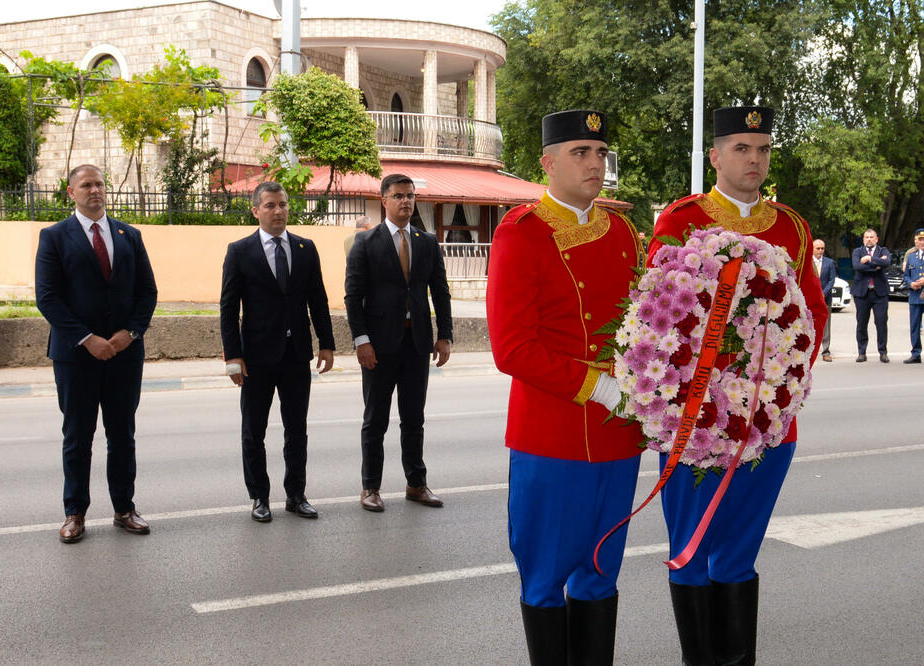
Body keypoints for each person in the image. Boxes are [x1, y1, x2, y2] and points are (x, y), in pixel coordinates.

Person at [650, 106, 828, 665]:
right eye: (742, 149)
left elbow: (813, 314)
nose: (755, 159)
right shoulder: (681, 221)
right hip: (696, 423)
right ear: (715, 156)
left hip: (767, 425)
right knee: (690, 550)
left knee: (739, 554)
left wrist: (779, 389)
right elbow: (656, 317)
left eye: (764, 149)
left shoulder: (791, 227)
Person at [487, 109, 645, 664]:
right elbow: (511, 348)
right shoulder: (522, 232)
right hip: (552, 437)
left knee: (601, 573)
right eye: (580, 153)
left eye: (600, 153)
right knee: (545, 579)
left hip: (619, 434)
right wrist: (597, 387)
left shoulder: (621, 231)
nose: (595, 163)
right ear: (548, 163)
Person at [35, 164, 158, 544]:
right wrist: (88, 339)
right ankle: (75, 513)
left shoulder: (129, 235)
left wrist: (129, 334)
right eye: (86, 185)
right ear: (70, 192)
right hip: (76, 357)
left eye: (100, 184)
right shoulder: (54, 237)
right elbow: (47, 297)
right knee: (78, 437)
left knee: (122, 435)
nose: (95, 190)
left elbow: (147, 292)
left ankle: (124, 508)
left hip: (124, 355)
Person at [220, 181, 335, 522]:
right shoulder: (240, 251)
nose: (278, 211)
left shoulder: (305, 248)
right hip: (255, 357)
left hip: (296, 354)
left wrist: (326, 343)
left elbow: (318, 299)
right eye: (270, 205)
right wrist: (232, 356)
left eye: (283, 204)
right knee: (253, 431)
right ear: (256, 210)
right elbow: (228, 307)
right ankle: (259, 496)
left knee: (296, 429)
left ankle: (296, 495)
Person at [344, 173, 453, 513]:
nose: (406, 201)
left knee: (414, 418)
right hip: (378, 345)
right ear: (384, 200)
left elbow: (440, 292)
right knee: (375, 420)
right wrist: (362, 340)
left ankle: (416, 484)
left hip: (416, 343)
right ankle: (370, 487)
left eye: (410, 196)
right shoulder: (366, 242)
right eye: (399, 196)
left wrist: (444, 335)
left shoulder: (427, 242)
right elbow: (353, 297)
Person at [850, 228, 891, 362]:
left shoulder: (883, 250)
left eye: (871, 237)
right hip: (862, 293)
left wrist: (870, 258)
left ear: (876, 239)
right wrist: (877, 265)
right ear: (863, 240)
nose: (869, 239)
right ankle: (862, 352)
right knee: (861, 323)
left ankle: (883, 352)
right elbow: (857, 266)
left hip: (880, 294)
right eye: (866, 237)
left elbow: (887, 262)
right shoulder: (857, 251)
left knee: (881, 323)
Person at [903, 228, 924, 363]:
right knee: (915, 326)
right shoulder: (911, 256)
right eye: (920, 239)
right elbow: (906, 275)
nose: (922, 242)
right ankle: (916, 353)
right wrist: (911, 283)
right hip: (915, 296)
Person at [813, 239, 836, 361]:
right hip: (810, 299)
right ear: (812, 249)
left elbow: (832, 280)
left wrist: (823, 293)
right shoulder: (808, 262)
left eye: (822, 248)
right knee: (809, 324)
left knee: (826, 326)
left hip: (825, 299)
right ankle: (809, 351)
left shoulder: (830, 263)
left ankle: (826, 351)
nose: (820, 251)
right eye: (818, 248)